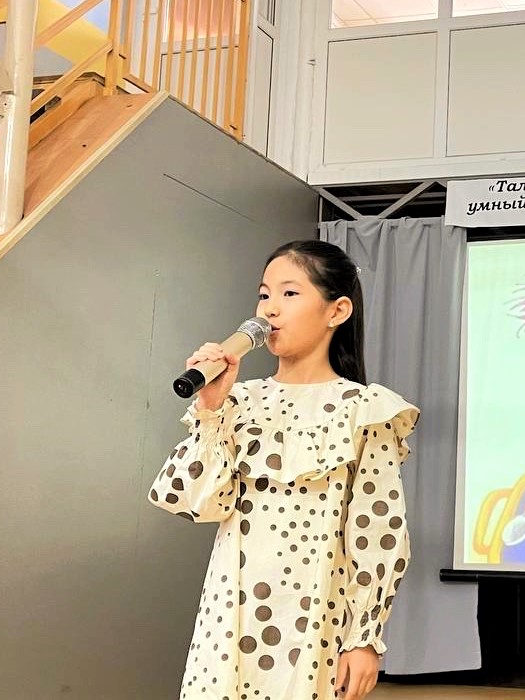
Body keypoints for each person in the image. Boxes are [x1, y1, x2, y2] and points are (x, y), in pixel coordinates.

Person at [149, 240, 419, 700]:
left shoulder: (365, 409)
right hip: (228, 620)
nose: (270, 309)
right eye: (264, 294)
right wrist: (211, 409)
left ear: (337, 311)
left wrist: (364, 637)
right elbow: (192, 501)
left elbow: (378, 531)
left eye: (289, 293)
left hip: (315, 623)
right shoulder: (239, 402)